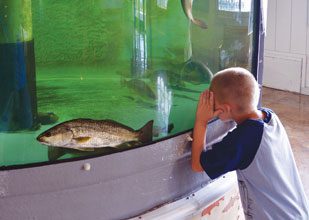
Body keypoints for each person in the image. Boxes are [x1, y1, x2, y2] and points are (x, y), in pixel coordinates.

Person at [191, 67, 309, 219]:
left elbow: (197, 165)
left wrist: (201, 121)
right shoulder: (270, 117)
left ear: (225, 109)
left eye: (214, 106)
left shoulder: (243, 140)